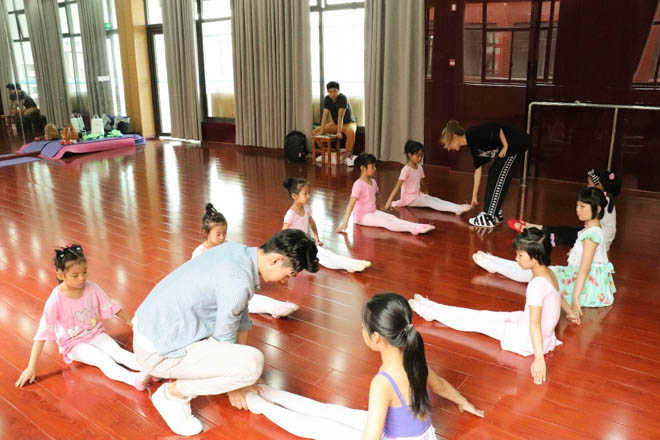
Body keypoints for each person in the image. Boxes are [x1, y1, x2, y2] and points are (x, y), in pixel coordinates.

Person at [133, 229, 319, 436]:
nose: (285, 281)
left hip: (152, 330)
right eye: (289, 274)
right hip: (157, 352)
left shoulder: (237, 252)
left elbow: (240, 318)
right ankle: (172, 396)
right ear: (276, 260)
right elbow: (225, 339)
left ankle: (165, 372)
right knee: (252, 364)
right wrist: (237, 382)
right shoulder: (238, 281)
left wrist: (241, 374)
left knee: (245, 365)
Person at [243, 293, 483, 439]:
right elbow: (440, 385)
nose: (361, 329)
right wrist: (464, 402)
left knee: (317, 426)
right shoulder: (415, 360)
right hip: (419, 436)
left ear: (376, 337)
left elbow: (373, 436)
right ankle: (265, 392)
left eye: (363, 327)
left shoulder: (383, 383)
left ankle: (255, 401)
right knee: (332, 413)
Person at [409, 228, 562, 384]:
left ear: (534, 258)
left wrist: (539, 359)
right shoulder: (548, 272)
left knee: (475, 321)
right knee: (481, 315)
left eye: (520, 255)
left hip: (526, 338)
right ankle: (433, 308)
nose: (516, 258)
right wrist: (570, 311)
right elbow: (557, 296)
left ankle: (432, 311)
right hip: (533, 329)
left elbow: (535, 324)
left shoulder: (536, 285)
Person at [15, 244, 151, 391]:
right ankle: (134, 380)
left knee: (118, 352)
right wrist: (31, 367)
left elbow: (112, 306)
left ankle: (152, 370)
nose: (82, 278)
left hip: (95, 333)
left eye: (84, 272)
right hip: (73, 344)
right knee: (102, 359)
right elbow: (43, 333)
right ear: (60, 275)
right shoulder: (56, 299)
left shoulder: (93, 288)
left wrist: (131, 322)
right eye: (75, 275)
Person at [473, 187, 616, 325]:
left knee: (539, 271)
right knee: (539, 269)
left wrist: (575, 298)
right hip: (578, 274)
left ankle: (495, 265)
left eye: (583, 206)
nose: (578, 210)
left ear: (597, 209)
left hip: (588, 284)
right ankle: (495, 262)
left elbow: (585, 268)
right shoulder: (591, 229)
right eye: (577, 205)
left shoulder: (592, 235)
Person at [191, 203, 299, 318]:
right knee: (240, 298)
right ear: (205, 233)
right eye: (218, 234)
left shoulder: (227, 245)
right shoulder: (199, 253)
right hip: (212, 290)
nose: (222, 237)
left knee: (244, 293)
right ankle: (274, 307)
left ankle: (277, 306)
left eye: (224, 233)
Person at [441, 120, 531, 228]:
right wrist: (474, 197)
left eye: (449, 144)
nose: (449, 148)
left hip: (515, 142)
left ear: (455, 136)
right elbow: (478, 170)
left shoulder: (474, 133)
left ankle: (490, 216)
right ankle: (494, 214)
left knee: (499, 175)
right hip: (511, 146)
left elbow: (496, 126)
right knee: (493, 172)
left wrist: (505, 145)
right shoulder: (474, 147)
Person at [508, 168, 621, 252]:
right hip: (597, 235)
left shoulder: (601, 200)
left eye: (589, 184)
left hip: (598, 241)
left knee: (563, 235)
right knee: (565, 230)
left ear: (599, 186)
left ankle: (532, 231)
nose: (587, 186)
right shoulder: (606, 198)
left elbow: (597, 227)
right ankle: (532, 226)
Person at [283, 178, 371, 272]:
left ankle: (354, 262)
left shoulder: (307, 208)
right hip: (297, 247)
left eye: (309, 193)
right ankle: (349, 266)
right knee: (321, 256)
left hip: (305, 242)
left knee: (326, 253)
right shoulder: (290, 214)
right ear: (295, 196)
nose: (309, 196)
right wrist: (287, 252)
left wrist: (316, 237)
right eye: (305, 194)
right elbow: (283, 233)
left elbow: (311, 222)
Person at [336, 153, 436, 235]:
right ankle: (414, 229)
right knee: (386, 222)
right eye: (372, 167)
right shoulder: (358, 184)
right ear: (363, 168)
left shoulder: (373, 182)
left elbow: (375, 196)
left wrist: (382, 207)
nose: (375, 169)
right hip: (362, 217)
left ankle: (417, 226)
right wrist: (345, 223)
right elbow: (351, 204)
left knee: (391, 217)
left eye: (375, 166)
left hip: (372, 212)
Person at [384, 140, 471, 215]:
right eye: (418, 156)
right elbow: (397, 186)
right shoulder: (406, 170)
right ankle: (456, 209)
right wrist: (388, 202)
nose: (420, 158)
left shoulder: (419, 167)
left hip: (418, 195)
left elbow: (422, 181)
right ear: (410, 155)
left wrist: (426, 191)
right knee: (431, 202)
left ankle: (458, 207)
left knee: (435, 200)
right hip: (410, 199)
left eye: (421, 156)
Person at [312, 81, 357, 165]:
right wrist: (321, 130)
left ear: (338, 91)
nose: (332, 94)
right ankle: (326, 152)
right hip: (334, 123)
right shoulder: (327, 99)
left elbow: (340, 117)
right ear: (328, 92)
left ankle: (348, 154)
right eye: (330, 92)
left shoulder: (343, 98)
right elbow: (324, 116)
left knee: (351, 132)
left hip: (348, 123)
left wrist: (339, 132)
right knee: (315, 132)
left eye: (335, 91)